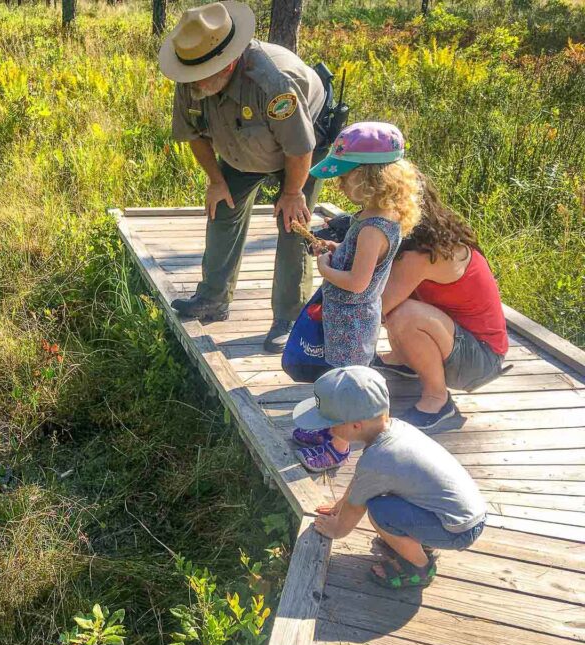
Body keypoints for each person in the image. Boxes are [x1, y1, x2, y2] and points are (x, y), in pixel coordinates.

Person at [159, 1, 329, 352]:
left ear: (227, 62)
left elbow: (299, 145)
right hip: (241, 146)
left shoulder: (273, 82)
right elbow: (193, 134)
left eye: (203, 73)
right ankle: (213, 298)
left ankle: (288, 317)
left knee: (292, 223)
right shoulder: (190, 75)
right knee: (222, 207)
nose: (193, 83)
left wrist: (293, 192)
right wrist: (216, 181)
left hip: (302, 149)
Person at [290, 122, 422, 472]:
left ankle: (338, 446)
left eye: (345, 177)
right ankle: (330, 428)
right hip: (346, 315)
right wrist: (335, 248)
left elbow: (358, 282)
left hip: (352, 317)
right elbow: (359, 260)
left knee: (348, 383)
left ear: (368, 178)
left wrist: (324, 268)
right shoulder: (371, 218)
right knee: (338, 375)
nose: (339, 183)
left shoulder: (373, 228)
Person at [294, 366, 487, 589]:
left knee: (380, 511)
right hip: (464, 514)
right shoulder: (396, 430)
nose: (327, 431)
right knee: (383, 502)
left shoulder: (378, 458)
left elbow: (357, 508)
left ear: (356, 425)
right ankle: (417, 541)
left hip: (457, 530)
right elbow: (361, 481)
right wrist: (339, 505)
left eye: (330, 424)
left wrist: (336, 530)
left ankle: (418, 568)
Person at [375, 174, 509, 430]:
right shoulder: (434, 238)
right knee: (402, 307)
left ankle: (437, 401)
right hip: (466, 344)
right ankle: (405, 361)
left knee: (403, 314)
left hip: (480, 360)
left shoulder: (422, 254)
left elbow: (379, 307)